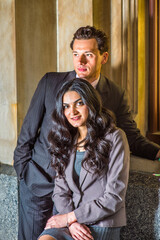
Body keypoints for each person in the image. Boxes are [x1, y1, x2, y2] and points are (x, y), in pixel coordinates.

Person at [13, 25, 160, 240]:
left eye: (88, 55)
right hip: (39, 184)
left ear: (103, 57)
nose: (80, 62)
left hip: (80, 200)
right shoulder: (49, 83)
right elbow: (26, 136)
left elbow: (131, 136)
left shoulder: (115, 94)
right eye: (76, 54)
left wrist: (157, 153)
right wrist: (25, 174)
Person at [38, 78, 130, 240]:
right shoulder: (65, 140)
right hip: (69, 222)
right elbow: (60, 192)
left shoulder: (115, 137)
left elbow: (114, 197)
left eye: (79, 103)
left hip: (101, 223)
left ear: (91, 103)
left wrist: (71, 217)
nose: (72, 112)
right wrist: (71, 221)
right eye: (66, 106)